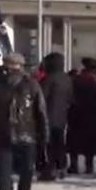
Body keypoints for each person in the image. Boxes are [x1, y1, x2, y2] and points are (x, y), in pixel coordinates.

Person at [0, 53, 48, 190]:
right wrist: (43, 132)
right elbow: (40, 111)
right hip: (26, 132)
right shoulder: (31, 84)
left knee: (6, 169)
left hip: (5, 132)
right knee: (24, 170)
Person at [38, 53, 72, 181]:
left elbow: (42, 96)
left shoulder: (49, 79)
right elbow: (70, 98)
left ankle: (50, 169)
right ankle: (62, 166)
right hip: (62, 115)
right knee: (60, 142)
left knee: (49, 144)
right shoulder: (67, 79)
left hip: (48, 115)